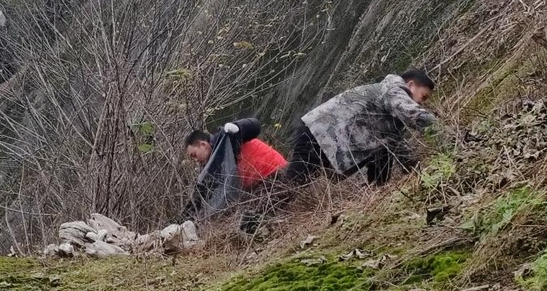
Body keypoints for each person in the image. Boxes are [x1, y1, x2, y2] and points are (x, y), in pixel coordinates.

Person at [285, 69, 436, 186]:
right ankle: (264, 213)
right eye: (423, 96)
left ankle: (377, 190)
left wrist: (418, 171)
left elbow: (396, 145)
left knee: (385, 146)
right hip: (319, 134)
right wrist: (444, 131)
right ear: (410, 85)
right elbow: (414, 114)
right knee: (294, 182)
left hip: (324, 136)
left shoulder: (389, 115)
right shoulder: (393, 90)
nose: (421, 103)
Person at [183, 118, 287, 218]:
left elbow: (255, 125)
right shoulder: (211, 167)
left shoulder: (226, 138)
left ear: (203, 144)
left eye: (194, 155)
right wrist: (184, 219)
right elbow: (200, 196)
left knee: (252, 219)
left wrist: (238, 126)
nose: (195, 160)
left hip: (276, 173)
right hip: (260, 187)